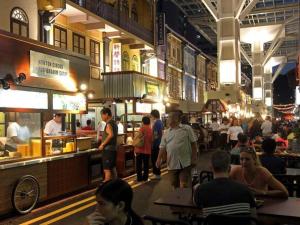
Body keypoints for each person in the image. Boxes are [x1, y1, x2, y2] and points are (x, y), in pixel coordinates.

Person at [193, 151, 256, 217]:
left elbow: (196, 203)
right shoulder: (245, 190)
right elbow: (254, 218)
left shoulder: (201, 190)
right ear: (229, 168)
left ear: (211, 168)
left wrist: (196, 189)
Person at [156, 110, 197, 188]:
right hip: (172, 163)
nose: (167, 119)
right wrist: (158, 159)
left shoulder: (187, 129)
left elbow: (193, 144)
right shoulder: (166, 132)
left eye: (169, 117)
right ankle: (176, 199)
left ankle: (185, 199)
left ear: (176, 119)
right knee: (174, 185)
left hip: (185, 162)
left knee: (183, 185)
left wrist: (194, 158)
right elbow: (162, 147)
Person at [99, 108, 118, 182]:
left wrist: (102, 144)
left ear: (106, 114)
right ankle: (116, 185)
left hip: (108, 150)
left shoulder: (109, 123)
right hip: (113, 150)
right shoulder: (114, 123)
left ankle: (107, 187)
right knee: (112, 168)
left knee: (107, 170)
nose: (101, 117)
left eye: (102, 115)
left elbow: (110, 135)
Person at [134, 116, 152, 182]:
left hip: (139, 149)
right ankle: (145, 178)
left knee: (138, 165)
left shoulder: (141, 128)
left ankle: (139, 178)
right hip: (147, 150)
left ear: (143, 122)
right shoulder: (150, 129)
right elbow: (152, 140)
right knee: (146, 165)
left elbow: (137, 138)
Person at [150, 109, 164, 180]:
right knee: (157, 158)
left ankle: (156, 174)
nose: (151, 118)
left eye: (151, 116)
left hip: (155, 144)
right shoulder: (161, 122)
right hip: (160, 143)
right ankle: (157, 173)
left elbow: (155, 135)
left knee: (155, 159)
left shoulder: (156, 123)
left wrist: (151, 141)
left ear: (153, 116)